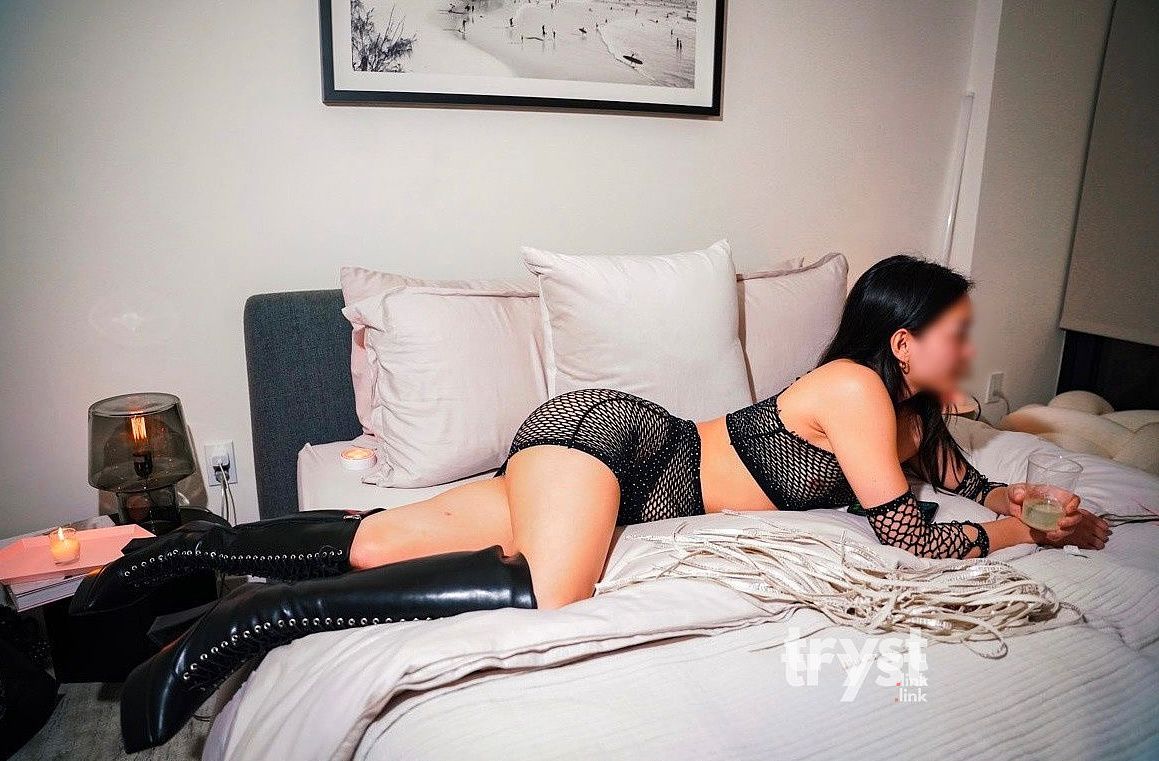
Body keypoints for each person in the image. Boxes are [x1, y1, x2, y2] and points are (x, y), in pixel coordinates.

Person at [75, 255, 1111, 750]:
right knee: (553, 586)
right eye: (957, 332)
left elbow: (973, 488)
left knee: (381, 538)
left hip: (612, 476)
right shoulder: (850, 390)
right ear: (902, 337)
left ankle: (163, 559)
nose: (969, 347)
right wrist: (1008, 530)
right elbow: (914, 538)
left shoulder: (908, 415)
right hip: (618, 444)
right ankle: (236, 624)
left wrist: (1028, 502)